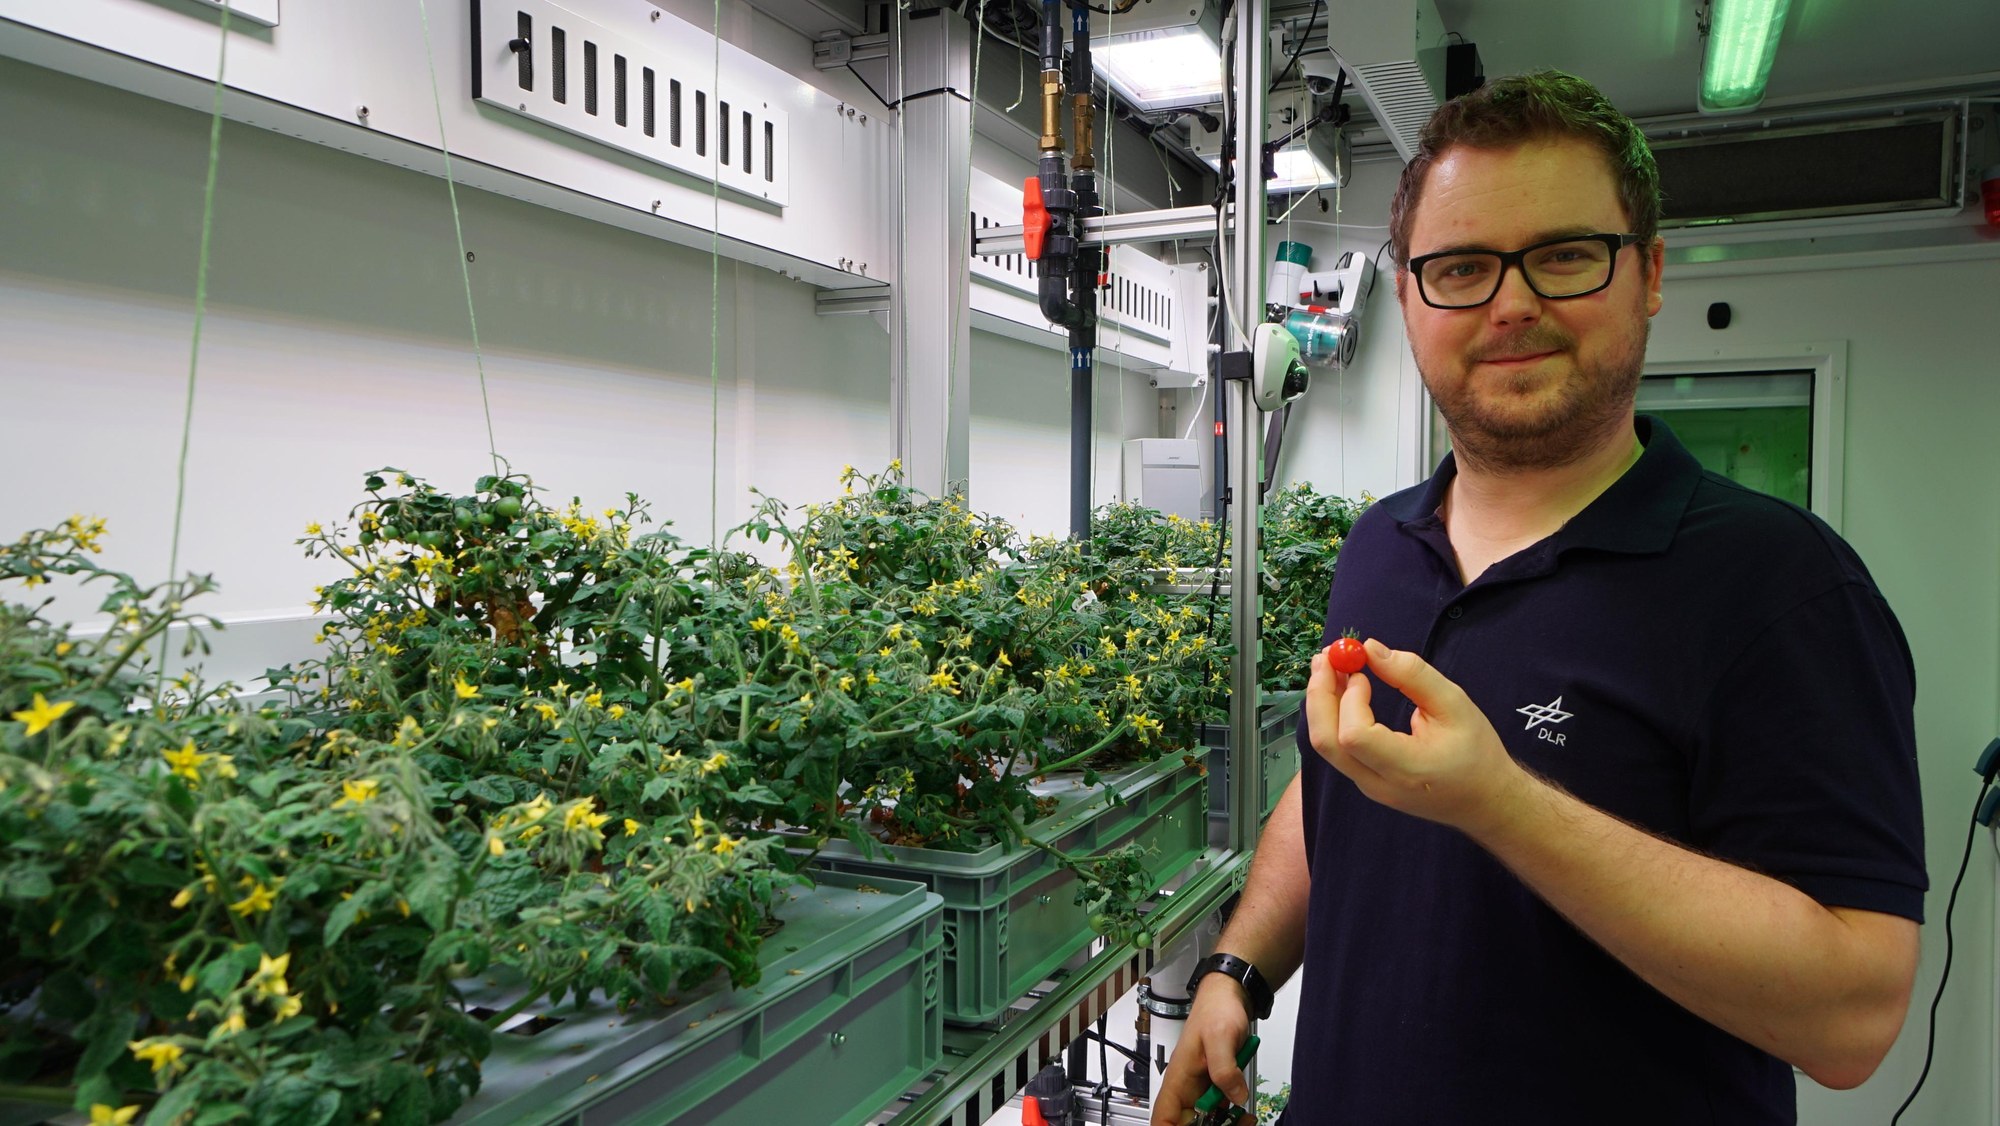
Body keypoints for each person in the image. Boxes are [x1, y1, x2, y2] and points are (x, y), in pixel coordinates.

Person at [1153, 70, 1927, 1125]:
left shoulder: (1781, 589)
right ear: (1411, 297)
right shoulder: (1379, 544)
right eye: (1461, 266)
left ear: (1647, 272)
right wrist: (1236, 969)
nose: (1511, 303)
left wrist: (1500, 801)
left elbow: (1852, 1017)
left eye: (1563, 254)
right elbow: (1334, 782)